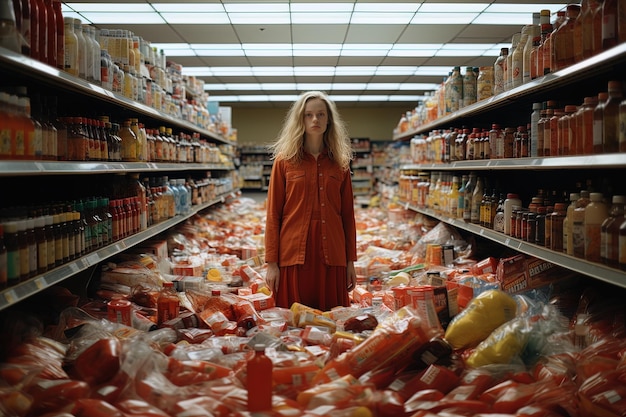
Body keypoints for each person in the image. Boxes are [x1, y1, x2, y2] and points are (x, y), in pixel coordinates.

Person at [264, 91, 357, 311]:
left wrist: (350, 262)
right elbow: (273, 214)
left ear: (329, 120)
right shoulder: (284, 161)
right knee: (294, 328)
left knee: (331, 327)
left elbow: (347, 216)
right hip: (294, 257)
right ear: (301, 119)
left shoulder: (340, 164)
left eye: (321, 115)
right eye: (308, 115)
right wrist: (272, 264)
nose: (315, 120)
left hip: (332, 258)